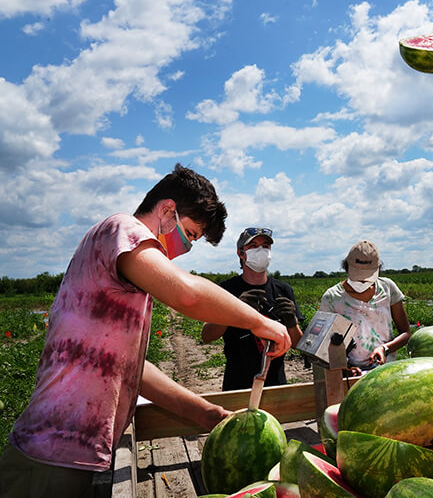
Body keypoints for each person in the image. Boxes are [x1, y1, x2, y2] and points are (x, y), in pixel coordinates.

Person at [0, 164, 291, 498]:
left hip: (74, 454)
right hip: (49, 450)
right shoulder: (119, 229)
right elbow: (187, 293)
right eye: (191, 235)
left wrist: (205, 413)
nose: (186, 247)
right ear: (167, 211)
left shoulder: (125, 278)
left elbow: (130, 369)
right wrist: (258, 321)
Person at [201, 227, 304, 389]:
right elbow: (207, 335)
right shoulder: (226, 290)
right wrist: (233, 311)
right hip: (237, 384)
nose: (261, 250)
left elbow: (299, 344)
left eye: (265, 246)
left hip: (276, 384)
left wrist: (292, 322)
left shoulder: (283, 290)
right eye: (254, 246)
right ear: (241, 253)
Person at [319, 240, 411, 376]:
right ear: (347, 268)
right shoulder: (332, 298)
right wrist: (345, 367)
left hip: (386, 370)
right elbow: (323, 344)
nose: (362, 282)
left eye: (367, 278)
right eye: (358, 277)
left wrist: (384, 348)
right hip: (350, 373)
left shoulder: (388, 288)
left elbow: (405, 333)